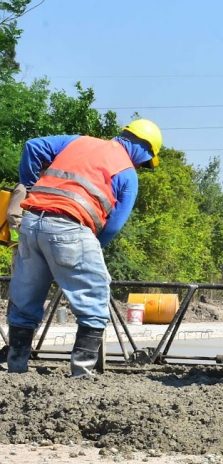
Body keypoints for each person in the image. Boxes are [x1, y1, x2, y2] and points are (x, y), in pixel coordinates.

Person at [5, 119, 163, 377]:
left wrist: (30, 188)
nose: (139, 166)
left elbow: (32, 146)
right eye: (143, 161)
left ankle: (16, 368)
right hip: (70, 227)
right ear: (144, 148)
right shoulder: (127, 174)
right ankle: (82, 375)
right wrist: (89, 247)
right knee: (94, 300)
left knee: (25, 301)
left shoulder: (78, 141)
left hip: (31, 223)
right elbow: (113, 225)